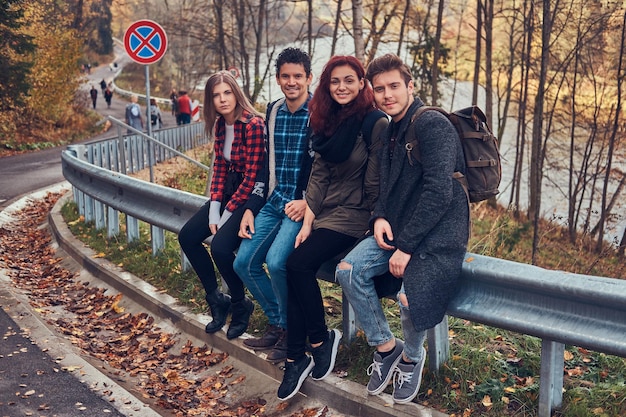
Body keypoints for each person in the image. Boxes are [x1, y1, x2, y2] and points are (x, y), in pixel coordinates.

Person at [335, 53, 470, 404]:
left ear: (410, 86)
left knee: (409, 296)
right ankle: (386, 347)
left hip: (439, 232)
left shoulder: (431, 124)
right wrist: (379, 216)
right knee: (348, 271)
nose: (386, 95)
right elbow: (383, 182)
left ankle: (412, 357)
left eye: (394, 86)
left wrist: (406, 248)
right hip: (399, 227)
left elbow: (439, 191)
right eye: (379, 89)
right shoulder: (391, 126)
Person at [277, 56, 389, 401]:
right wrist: (308, 221)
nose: (341, 87)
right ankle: (295, 358)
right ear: (327, 86)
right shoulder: (327, 120)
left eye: (349, 80)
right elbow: (319, 175)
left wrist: (374, 223)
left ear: (361, 84)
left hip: (355, 215)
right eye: (335, 81)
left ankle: (319, 340)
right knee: (294, 266)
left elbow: (375, 182)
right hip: (325, 212)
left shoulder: (373, 122)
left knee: (296, 265)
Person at [233, 47, 314, 364]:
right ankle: (279, 323)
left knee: (278, 262)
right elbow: (264, 167)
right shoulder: (274, 111)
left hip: (301, 206)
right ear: (278, 79)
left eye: (298, 76)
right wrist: (251, 207)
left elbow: (324, 167)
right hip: (273, 201)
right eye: (285, 76)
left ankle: (295, 329)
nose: (291, 82)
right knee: (244, 263)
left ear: (309, 78)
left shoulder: (319, 113)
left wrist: (307, 202)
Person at [178, 71, 266, 340]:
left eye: (227, 93)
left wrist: (228, 213)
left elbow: (252, 176)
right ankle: (216, 298)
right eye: (216, 95)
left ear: (236, 93)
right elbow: (219, 168)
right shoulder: (219, 126)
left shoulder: (253, 124)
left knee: (220, 247)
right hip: (227, 192)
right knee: (188, 237)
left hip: (249, 196)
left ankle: (241, 304)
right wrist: (215, 205)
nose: (222, 99)